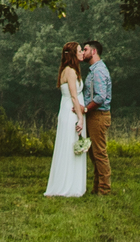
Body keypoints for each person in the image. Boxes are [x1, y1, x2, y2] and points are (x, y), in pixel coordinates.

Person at [44, 40, 88, 197]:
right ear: (73, 54)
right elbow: (74, 97)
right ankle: (68, 185)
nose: (83, 52)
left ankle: (73, 183)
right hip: (72, 114)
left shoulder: (68, 70)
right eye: (80, 50)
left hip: (70, 111)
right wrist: (80, 119)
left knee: (73, 146)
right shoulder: (70, 71)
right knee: (72, 146)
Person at [78, 39, 113, 194]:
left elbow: (100, 97)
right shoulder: (94, 70)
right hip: (94, 116)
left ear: (93, 51)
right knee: (93, 153)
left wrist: (85, 109)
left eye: (85, 49)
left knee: (99, 153)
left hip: (98, 115)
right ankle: (96, 187)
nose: (83, 52)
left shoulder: (98, 71)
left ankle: (105, 189)